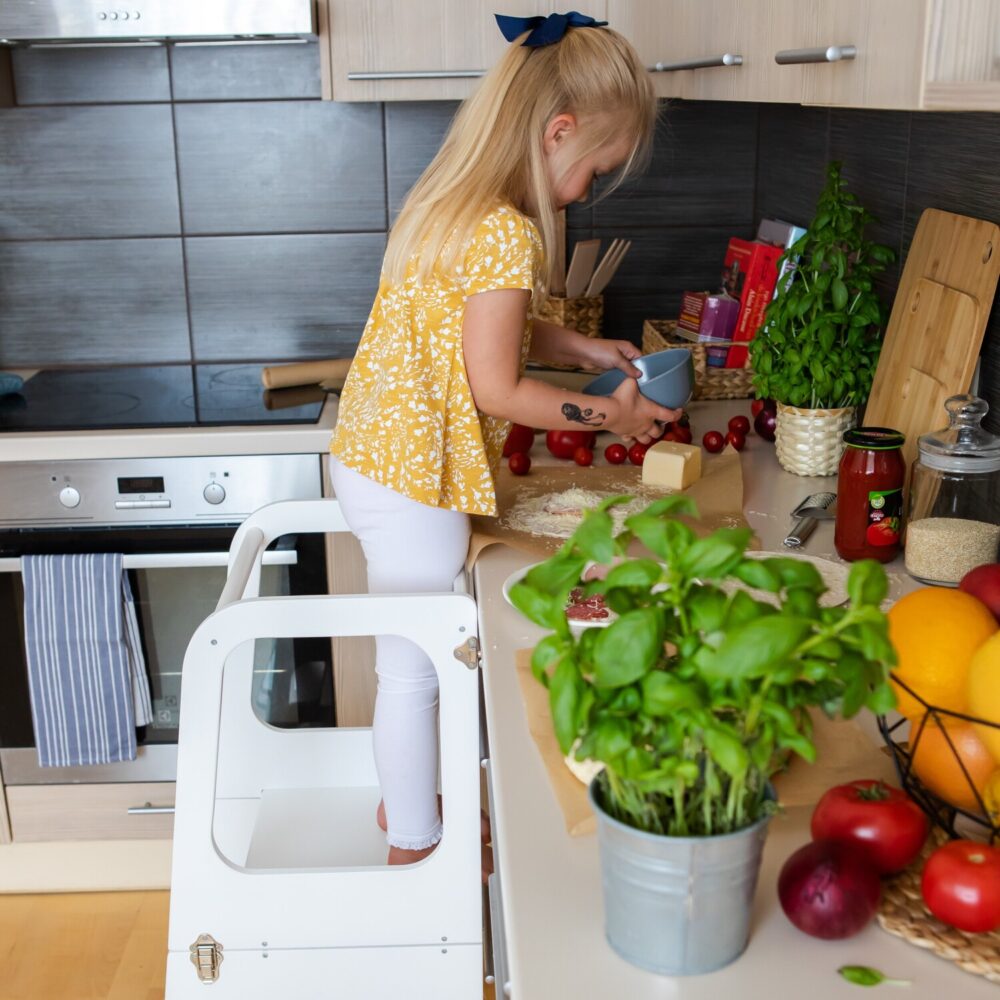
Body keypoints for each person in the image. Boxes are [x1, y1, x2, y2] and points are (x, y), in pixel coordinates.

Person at [329, 11, 681, 874]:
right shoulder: (506, 230)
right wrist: (615, 416)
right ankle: (415, 847)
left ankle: (405, 800)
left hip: (375, 462)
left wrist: (588, 350)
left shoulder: (450, 203)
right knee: (414, 670)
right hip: (415, 480)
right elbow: (497, 386)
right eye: (593, 169)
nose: (587, 191)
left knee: (409, 659)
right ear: (558, 132)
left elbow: (493, 330)